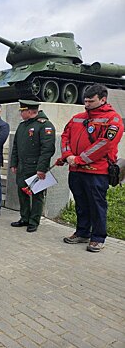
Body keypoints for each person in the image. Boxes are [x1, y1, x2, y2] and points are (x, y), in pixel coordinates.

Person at [61, 84, 123, 252]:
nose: (86, 104)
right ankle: (82, 232)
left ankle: (98, 237)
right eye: (85, 100)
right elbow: (65, 136)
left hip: (97, 172)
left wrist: (79, 159)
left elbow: (105, 144)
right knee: (81, 204)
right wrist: (67, 156)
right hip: (76, 170)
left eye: (91, 101)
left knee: (97, 205)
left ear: (103, 99)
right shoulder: (77, 118)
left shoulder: (113, 120)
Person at [10, 100, 56, 232]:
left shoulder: (45, 125)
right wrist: (14, 163)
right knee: (22, 193)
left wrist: (42, 169)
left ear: (29, 111)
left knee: (37, 195)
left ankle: (34, 221)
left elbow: (47, 149)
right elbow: (16, 147)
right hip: (22, 166)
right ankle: (24, 218)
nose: (20, 113)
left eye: (22, 111)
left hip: (36, 167)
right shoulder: (22, 126)